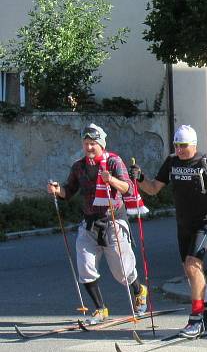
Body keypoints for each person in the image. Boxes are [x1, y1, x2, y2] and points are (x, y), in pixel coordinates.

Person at [130, 125, 207, 338]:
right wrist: (139, 178)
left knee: (193, 265)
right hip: (183, 223)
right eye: (176, 145)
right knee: (188, 269)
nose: (179, 149)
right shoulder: (172, 162)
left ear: (193, 144)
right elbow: (153, 188)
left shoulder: (206, 161)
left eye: (183, 145)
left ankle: (197, 318)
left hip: (204, 221)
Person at [46, 124, 148, 325]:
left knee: (122, 270)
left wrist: (111, 181)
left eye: (93, 143)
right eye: (86, 144)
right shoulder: (79, 166)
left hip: (113, 220)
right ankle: (100, 309)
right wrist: (57, 190)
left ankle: (139, 290)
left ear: (101, 144)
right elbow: (69, 191)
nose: (89, 147)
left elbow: (128, 188)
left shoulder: (113, 161)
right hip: (90, 223)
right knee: (85, 267)